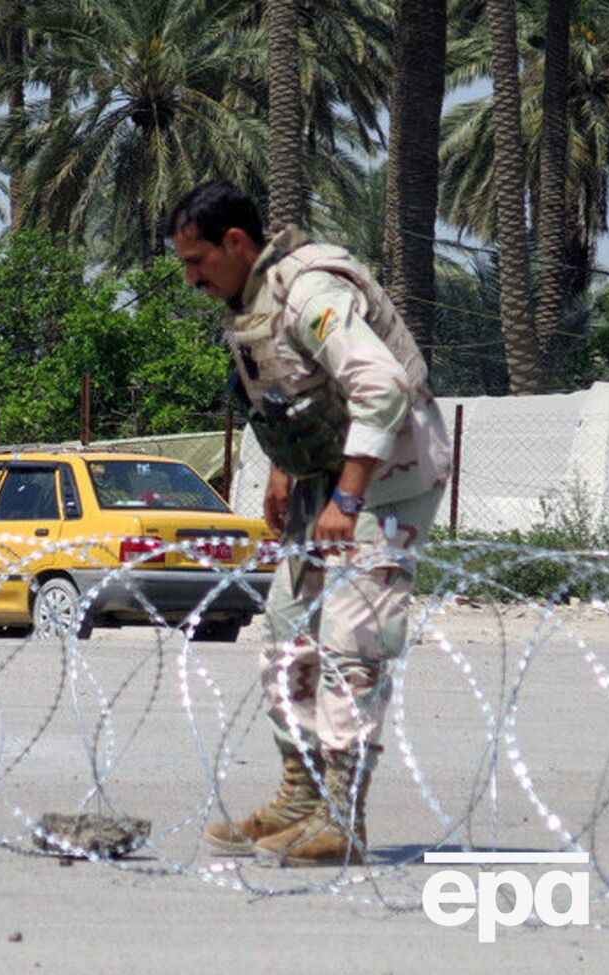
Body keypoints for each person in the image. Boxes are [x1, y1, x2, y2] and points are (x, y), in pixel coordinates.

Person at [169, 180, 451, 866]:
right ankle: (299, 796)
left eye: (197, 260)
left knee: (353, 641)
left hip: (385, 476)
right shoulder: (253, 301)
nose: (191, 277)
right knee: (288, 633)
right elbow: (292, 393)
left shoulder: (311, 291)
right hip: (324, 476)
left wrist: (349, 498)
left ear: (236, 242)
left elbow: (380, 386)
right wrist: (285, 469)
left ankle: (342, 817)